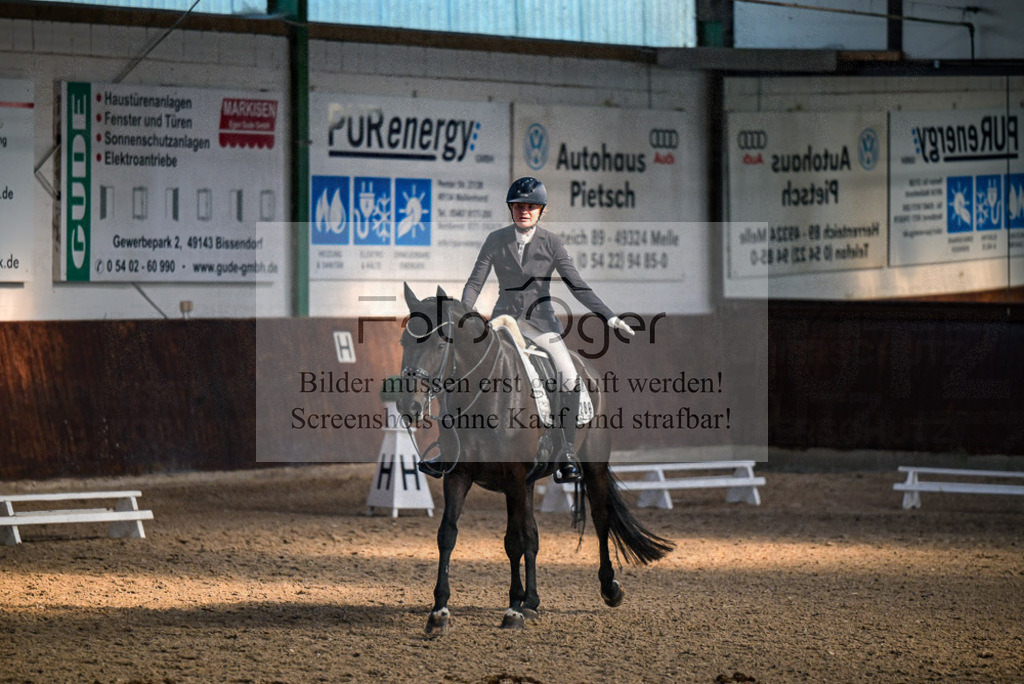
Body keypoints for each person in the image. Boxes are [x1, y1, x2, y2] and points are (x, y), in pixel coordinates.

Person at [419, 177, 635, 483]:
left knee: (569, 377)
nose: (525, 211)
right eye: (519, 206)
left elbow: (578, 286)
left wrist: (609, 317)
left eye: (531, 207)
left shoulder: (553, 244)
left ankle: (567, 453)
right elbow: (475, 283)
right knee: (460, 368)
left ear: (541, 211)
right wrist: (465, 317)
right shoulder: (496, 240)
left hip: (540, 324)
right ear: (511, 209)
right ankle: (450, 447)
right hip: (502, 322)